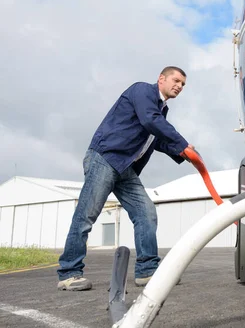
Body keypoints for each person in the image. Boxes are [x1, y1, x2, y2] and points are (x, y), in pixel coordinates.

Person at [57, 66, 194, 291]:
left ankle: (147, 271)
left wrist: (181, 152)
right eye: (176, 80)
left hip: (125, 168)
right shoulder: (142, 92)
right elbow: (151, 121)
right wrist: (182, 143)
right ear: (161, 79)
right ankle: (69, 273)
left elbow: (155, 140)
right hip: (105, 157)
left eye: (183, 84)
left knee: (146, 213)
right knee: (86, 216)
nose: (179, 86)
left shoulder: (161, 109)